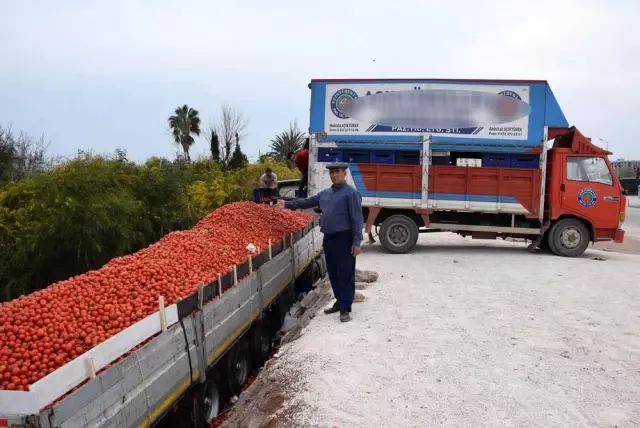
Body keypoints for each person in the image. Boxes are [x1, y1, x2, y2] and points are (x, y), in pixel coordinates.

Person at [275, 162, 363, 322]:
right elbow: (306, 202)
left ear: (344, 173)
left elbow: (357, 219)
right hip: (329, 238)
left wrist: (356, 242)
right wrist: (286, 204)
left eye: (337, 172)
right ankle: (339, 301)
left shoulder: (351, 194)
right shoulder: (325, 194)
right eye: (332, 172)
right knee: (334, 273)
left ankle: (346, 307)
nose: (334, 175)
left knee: (345, 273)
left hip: (345, 238)